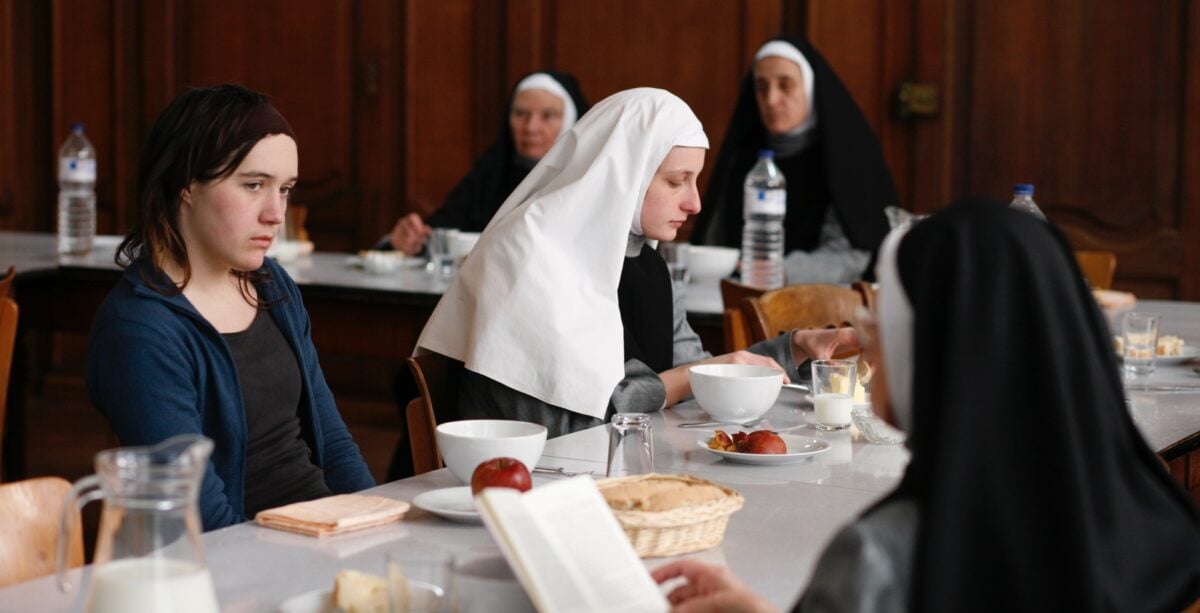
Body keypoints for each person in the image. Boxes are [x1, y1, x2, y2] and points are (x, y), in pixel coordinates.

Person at [652, 200, 1200, 612]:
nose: (867, 342)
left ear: (931, 354)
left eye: (879, 325)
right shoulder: (1155, 521)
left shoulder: (883, 557)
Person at [414, 88, 860, 438]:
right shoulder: (527, 257)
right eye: (676, 181)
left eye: (695, 180)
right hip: (535, 492)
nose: (695, 203)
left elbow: (697, 376)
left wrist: (793, 347)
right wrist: (690, 378)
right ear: (622, 174)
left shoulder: (647, 263)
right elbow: (572, 429)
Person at [86, 84, 375, 531]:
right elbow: (202, 517)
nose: (276, 213)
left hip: (324, 533)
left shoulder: (271, 282)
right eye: (254, 185)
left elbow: (333, 443)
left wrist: (375, 525)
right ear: (186, 184)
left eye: (285, 190)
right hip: (246, 565)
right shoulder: (140, 329)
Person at [690, 36, 898, 284]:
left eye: (785, 85)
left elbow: (851, 256)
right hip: (739, 296)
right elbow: (714, 240)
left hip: (824, 306)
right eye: (762, 87)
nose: (771, 100)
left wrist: (774, 272)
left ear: (810, 88)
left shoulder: (845, 158)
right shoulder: (744, 155)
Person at [382, 71, 589, 254]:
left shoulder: (587, 179)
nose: (530, 127)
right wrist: (411, 240)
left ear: (571, 121)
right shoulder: (491, 172)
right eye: (521, 114)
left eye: (548, 116)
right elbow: (441, 233)